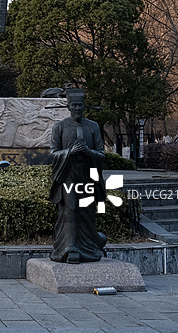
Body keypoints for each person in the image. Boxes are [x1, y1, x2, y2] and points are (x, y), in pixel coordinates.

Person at [49, 88, 107, 263]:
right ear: (68, 106)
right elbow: (52, 153)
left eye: (80, 105)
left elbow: (102, 154)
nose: (77, 108)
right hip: (68, 174)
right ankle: (69, 246)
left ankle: (90, 244)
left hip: (88, 174)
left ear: (84, 106)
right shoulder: (59, 127)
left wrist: (88, 152)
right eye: (74, 105)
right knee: (71, 208)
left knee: (87, 210)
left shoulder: (93, 127)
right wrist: (69, 152)